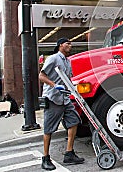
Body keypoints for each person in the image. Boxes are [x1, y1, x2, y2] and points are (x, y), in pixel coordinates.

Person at [39, 38, 84, 170]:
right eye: (67, 43)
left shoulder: (68, 61)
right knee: (49, 128)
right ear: (60, 45)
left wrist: (74, 86)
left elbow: (68, 78)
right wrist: (54, 85)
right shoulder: (53, 58)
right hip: (53, 98)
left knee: (74, 120)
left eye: (71, 43)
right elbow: (41, 76)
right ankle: (45, 158)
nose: (70, 45)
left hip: (65, 98)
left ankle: (69, 153)